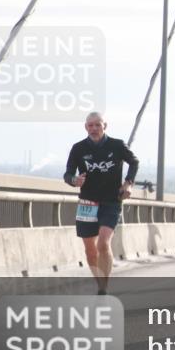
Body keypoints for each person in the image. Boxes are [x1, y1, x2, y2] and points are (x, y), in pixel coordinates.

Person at [63, 111, 139, 294]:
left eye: (98, 125)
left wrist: (128, 183)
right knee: (90, 250)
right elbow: (68, 174)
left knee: (103, 243)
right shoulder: (78, 148)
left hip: (111, 200)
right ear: (85, 127)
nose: (94, 129)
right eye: (90, 125)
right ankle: (99, 282)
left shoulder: (117, 145)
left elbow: (134, 162)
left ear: (105, 126)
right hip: (87, 202)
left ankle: (104, 286)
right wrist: (75, 180)